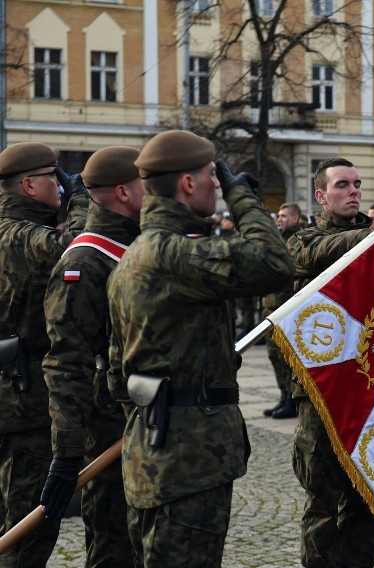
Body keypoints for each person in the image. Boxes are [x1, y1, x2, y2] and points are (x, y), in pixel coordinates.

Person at [106, 130, 294, 566]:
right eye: (213, 176)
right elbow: (275, 264)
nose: (218, 185)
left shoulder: (134, 255)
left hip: (154, 448)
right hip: (188, 460)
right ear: (188, 184)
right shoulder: (174, 254)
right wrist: (243, 196)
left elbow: (117, 373)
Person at [40, 146, 144, 566]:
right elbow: (66, 362)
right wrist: (66, 453)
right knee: (112, 540)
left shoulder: (142, 243)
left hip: (146, 422)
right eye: (146, 184)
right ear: (122, 191)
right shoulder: (85, 260)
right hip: (107, 427)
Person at [0, 142, 88, 566]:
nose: (60, 184)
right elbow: (79, 248)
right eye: (53, 177)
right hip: (24, 401)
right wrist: (84, 198)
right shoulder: (17, 234)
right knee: (28, 521)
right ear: (28, 185)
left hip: (13, 390)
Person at [287, 158, 374, 567]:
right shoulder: (303, 240)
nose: (353, 191)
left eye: (357, 184)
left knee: (364, 499)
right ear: (321, 197)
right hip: (319, 390)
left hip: (367, 390)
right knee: (321, 499)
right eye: (342, 185)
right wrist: (372, 235)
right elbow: (313, 255)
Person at [261, 202, 303, 419]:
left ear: (295, 218)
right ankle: (283, 395)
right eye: (279, 215)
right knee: (273, 355)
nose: (279, 219)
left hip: (285, 307)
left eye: (284, 216)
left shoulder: (296, 241)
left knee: (286, 356)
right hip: (270, 305)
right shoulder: (277, 239)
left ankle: (292, 399)